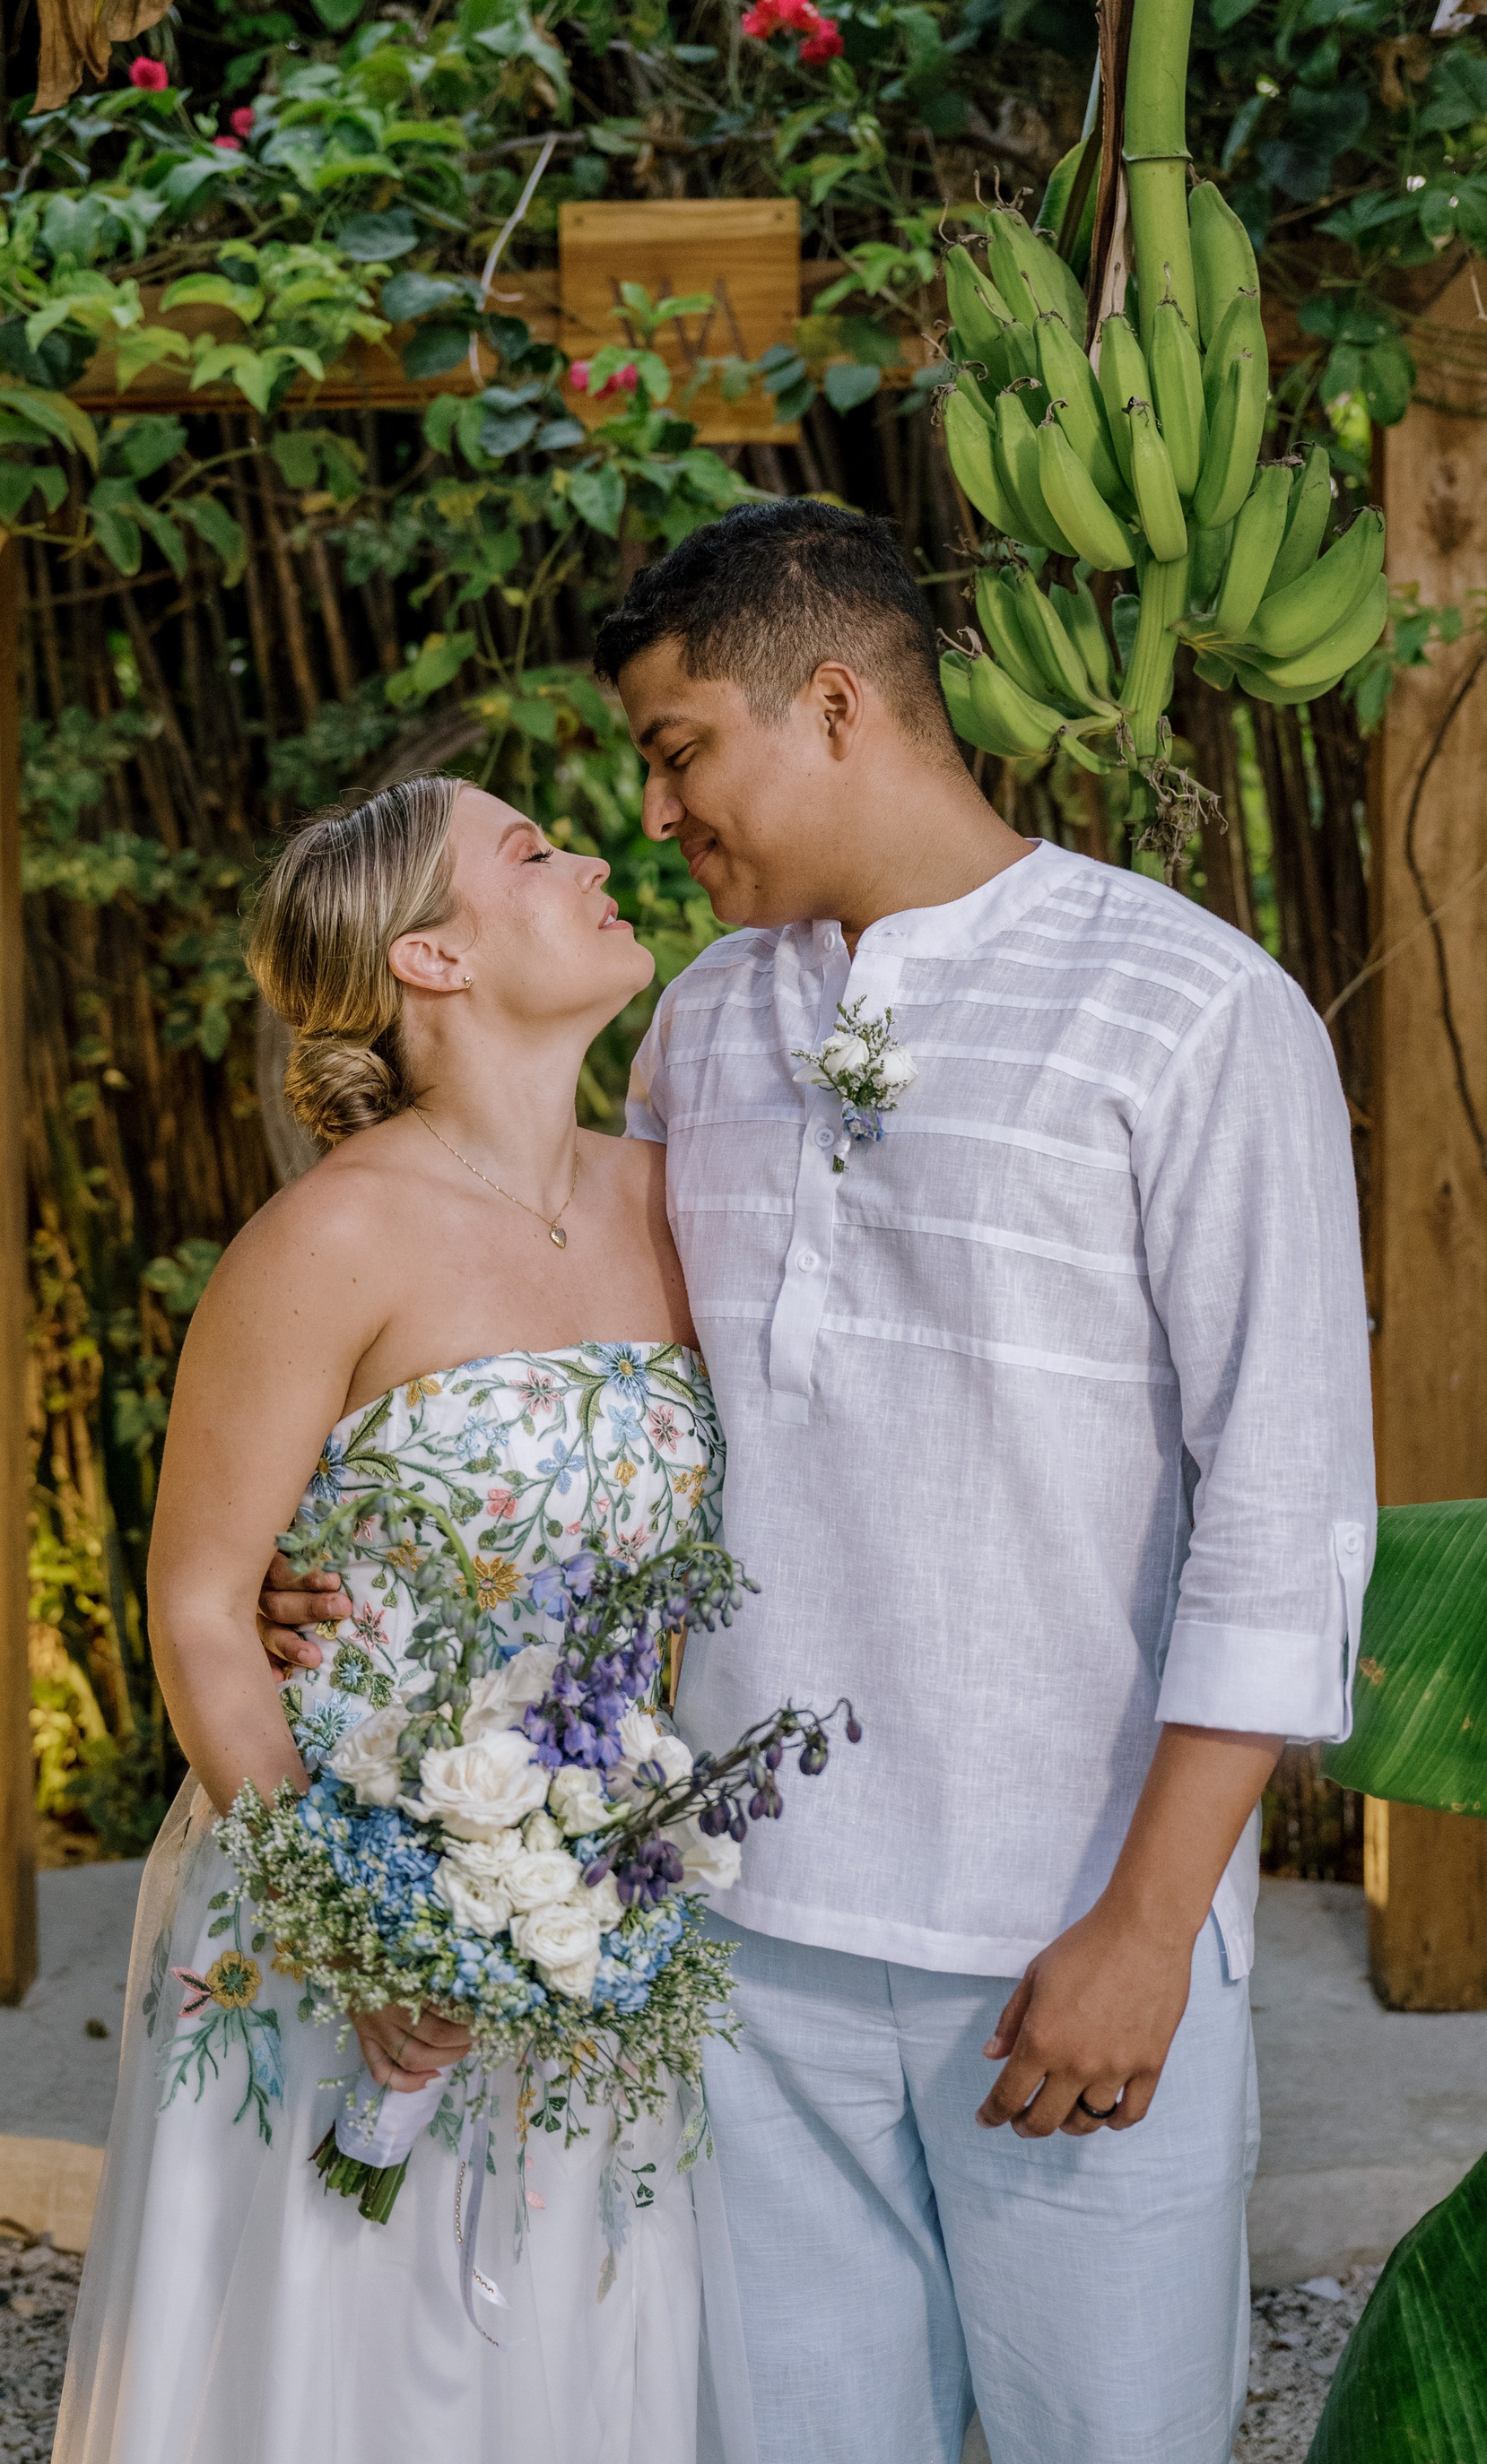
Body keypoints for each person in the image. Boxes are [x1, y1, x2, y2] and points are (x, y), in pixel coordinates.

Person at [258, 500, 1377, 2464]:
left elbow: (1288, 1513)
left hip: (1063, 1927)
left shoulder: (1193, 1012)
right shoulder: (707, 1019)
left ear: (836, 705)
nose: (657, 813)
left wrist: (1146, 1929)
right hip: (737, 1938)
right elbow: (612, 1409)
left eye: (683, 749)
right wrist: (373, 1581)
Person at [54, 776, 729, 2464]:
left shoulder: (675, 1199)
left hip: (602, 1904)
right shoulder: (326, 1236)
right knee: (350, 2364)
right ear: (433, 956)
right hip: (341, 1892)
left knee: (574, 2354)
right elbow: (202, 1604)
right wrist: (357, 1939)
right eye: (531, 850)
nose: (595, 855)